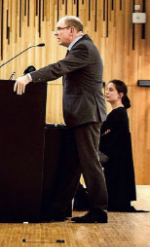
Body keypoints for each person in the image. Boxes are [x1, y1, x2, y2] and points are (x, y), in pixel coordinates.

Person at [13, 16, 108, 223]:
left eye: (59, 29)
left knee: (90, 163)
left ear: (72, 31)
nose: (56, 33)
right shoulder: (79, 48)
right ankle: (58, 209)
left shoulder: (84, 48)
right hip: (81, 116)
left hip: (87, 115)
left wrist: (29, 78)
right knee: (72, 164)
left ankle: (99, 210)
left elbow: (58, 68)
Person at [99, 80, 138, 212]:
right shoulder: (117, 113)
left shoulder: (118, 113)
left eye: (111, 90)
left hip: (115, 159)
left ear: (120, 94)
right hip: (116, 158)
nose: (107, 92)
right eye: (107, 89)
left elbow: (105, 136)